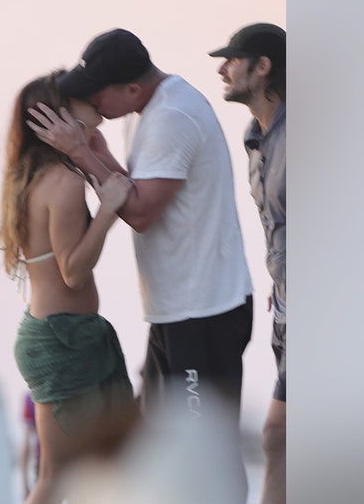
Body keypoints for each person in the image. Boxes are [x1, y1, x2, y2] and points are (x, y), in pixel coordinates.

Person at [27, 28, 253, 502]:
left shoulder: (172, 116)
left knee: (201, 449)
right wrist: (100, 155)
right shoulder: (148, 111)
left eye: (97, 92)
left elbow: (143, 212)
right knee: (157, 447)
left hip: (202, 310)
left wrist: (81, 154)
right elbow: (138, 188)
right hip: (176, 310)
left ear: (131, 88)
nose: (91, 100)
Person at [0, 70, 140, 504]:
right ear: (57, 114)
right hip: (63, 339)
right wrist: (108, 211)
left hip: (59, 334)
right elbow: (73, 272)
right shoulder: (64, 181)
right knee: (58, 477)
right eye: (79, 96)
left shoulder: (32, 175)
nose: (91, 98)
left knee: (82, 471)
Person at [209, 23, 287, 504]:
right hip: (287, 309)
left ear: (263, 67)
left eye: (233, 60)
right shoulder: (254, 139)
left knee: (278, 435)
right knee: (281, 438)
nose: (223, 69)